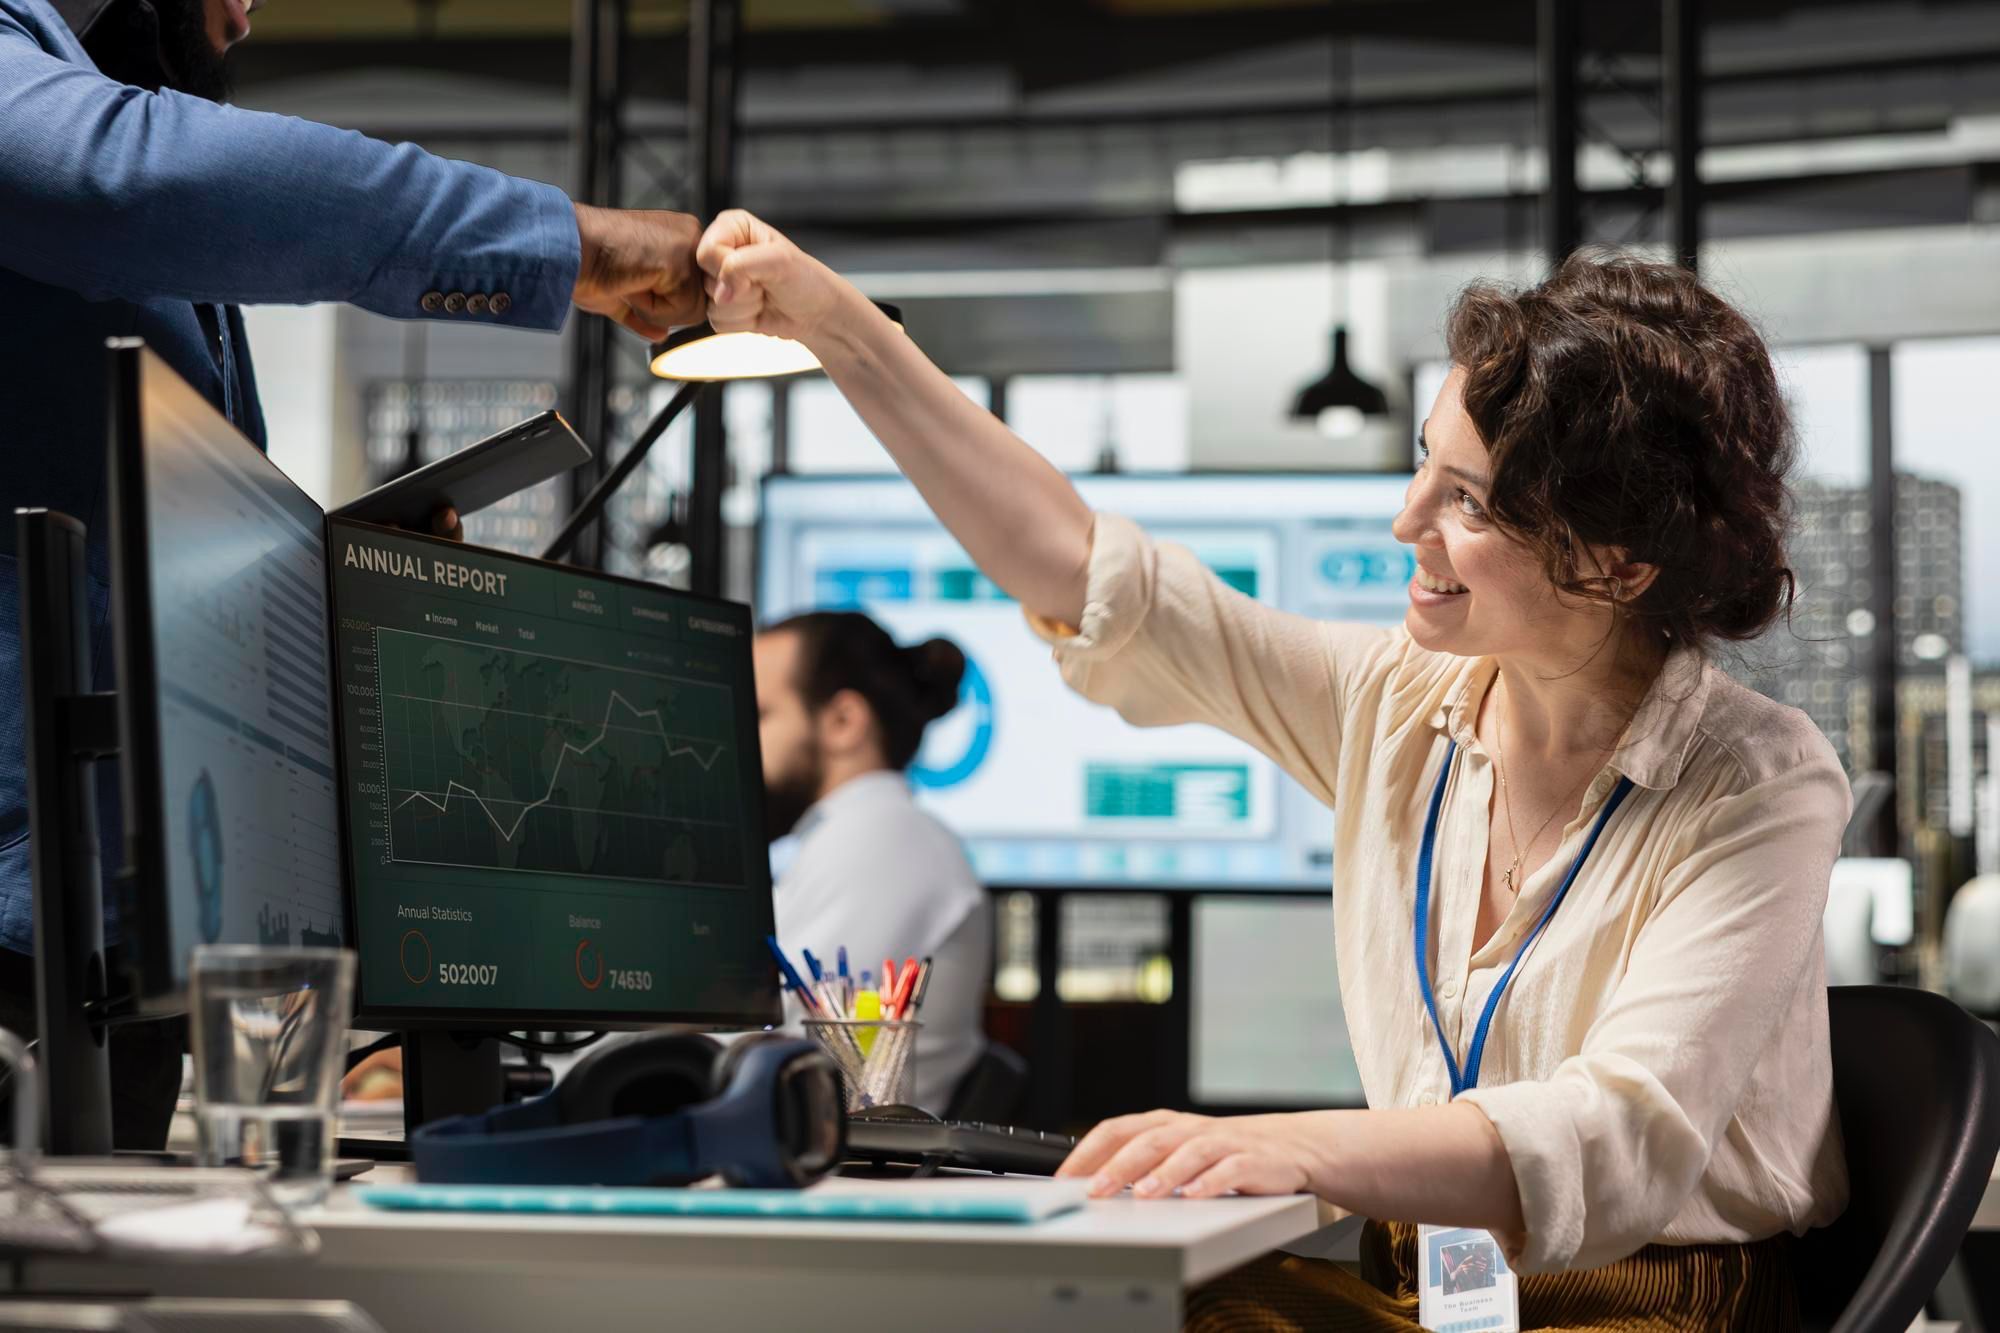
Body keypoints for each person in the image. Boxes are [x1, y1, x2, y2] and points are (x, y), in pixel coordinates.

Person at [692, 209, 1848, 1331]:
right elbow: (1095, 580)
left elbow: (1621, 1135)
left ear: (1617, 563)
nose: (1405, 521)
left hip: (1651, 1301)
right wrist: (836, 325)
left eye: (1466, 501)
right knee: (1120, 1310)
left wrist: (1291, 1144)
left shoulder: (1756, 781)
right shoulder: (1398, 703)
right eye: (1423, 464)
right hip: (1432, 1284)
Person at [0, 0, 710, 1147]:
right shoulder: (60, 114)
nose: (251, 12)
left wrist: (329, 591)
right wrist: (568, 242)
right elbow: (115, 180)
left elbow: (136, 572)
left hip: (112, 945)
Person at [755, 611, 991, 1114]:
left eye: (760, 716)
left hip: (843, 1147)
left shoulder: (883, 837)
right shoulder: (857, 835)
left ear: (843, 722)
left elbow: (774, 1048)